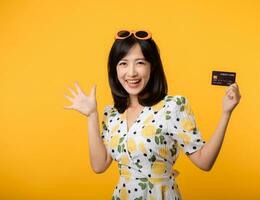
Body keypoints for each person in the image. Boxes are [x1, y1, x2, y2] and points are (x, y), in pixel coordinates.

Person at [63, 29, 241, 200]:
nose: (131, 72)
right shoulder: (112, 114)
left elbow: (205, 162)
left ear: (152, 66)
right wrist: (92, 115)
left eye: (140, 62)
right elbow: (99, 165)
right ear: (115, 69)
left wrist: (226, 113)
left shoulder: (173, 106)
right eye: (123, 63)